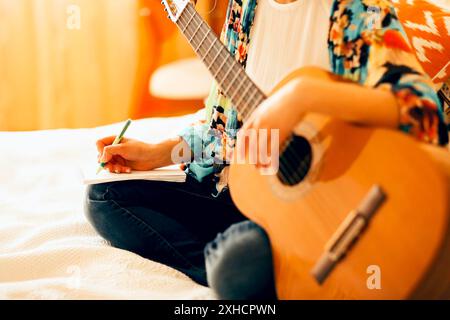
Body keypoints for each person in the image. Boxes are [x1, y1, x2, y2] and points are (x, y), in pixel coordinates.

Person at [84, 0, 448, 299]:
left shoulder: (351, 11)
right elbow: (225, 125)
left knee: (237, 264)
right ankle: (281, 269)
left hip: (337, 207)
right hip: (252, 197)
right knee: (104, 197)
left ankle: (264, 264)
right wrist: (163, 152)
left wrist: (303, 96)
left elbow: (424, 112)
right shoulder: (245, 10)